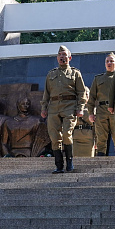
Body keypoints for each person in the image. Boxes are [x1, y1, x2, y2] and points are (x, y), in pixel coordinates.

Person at [40, 45, 86, 173]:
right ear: (57, 58)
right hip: (54, 108)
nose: (62, 57)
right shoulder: (51, 74)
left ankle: (69, 162)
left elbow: (81, 92)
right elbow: (46, 94)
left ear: (69, 58)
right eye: (60, 55)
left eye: (64, 55)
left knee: (67, 134)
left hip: (69, 106)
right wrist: (44, 108)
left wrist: (80, 108)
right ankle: (59, 165)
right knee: (54, 137)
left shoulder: (75, 73)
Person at [87, 52, 115, 156]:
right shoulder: (98, 79)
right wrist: (91, 113)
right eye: (107, 61)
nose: (109, 63)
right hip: (101, 111)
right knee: (101, 138)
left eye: (111, 61)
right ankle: (101, 159)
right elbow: (92, 97)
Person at [73, 87, 95, 157]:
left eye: (87, 94)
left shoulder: (92, 108)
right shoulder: (74, 107)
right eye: (84, 94)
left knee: (89, 158)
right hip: (76, 137)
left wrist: (97, 140)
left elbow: (96, 126)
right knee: (75, 159)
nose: (85, 96)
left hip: (89, 137)